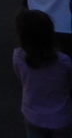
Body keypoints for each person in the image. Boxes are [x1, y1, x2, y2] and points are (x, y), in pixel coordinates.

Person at [13, 9, 72, 137]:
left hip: (32, 115)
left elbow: (21, 77)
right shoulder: (64, 61)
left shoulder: (18, 56)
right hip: (61, 118)